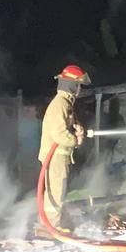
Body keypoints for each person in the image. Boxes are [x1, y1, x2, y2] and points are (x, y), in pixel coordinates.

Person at [38, 64, 90, 232]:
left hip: (59, 155)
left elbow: (67, 124)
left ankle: (51, 224)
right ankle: (51, 227)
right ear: (72, 85)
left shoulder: (65, 104)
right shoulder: (60, 104)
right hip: (55, 156)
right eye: (78, 85)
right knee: (56, 191)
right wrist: (75, 140)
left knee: (57, 190)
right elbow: (59, 134)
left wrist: (77, 127)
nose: (80, 89)